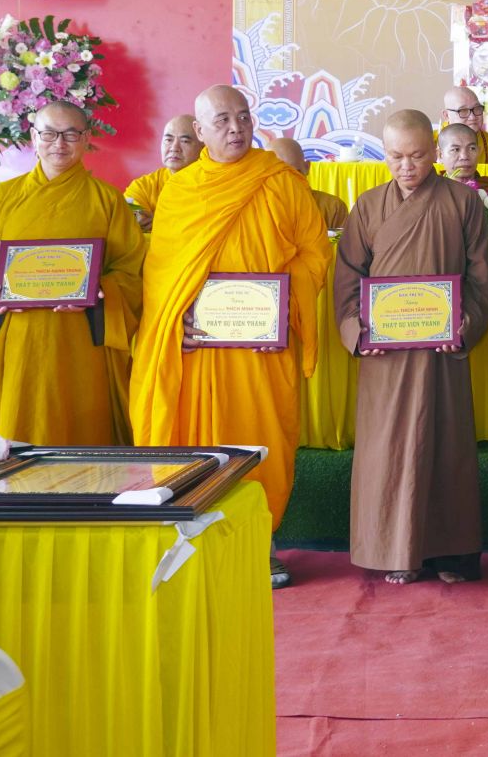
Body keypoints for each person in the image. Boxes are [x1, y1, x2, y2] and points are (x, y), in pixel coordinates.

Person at [129, 85, 331, 587]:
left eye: (243, 117)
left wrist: (281, 305)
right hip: (196, 350)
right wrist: (174, 321)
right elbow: (160, 276)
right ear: (199, 131)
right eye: (222, 121)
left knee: (260, 441)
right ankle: (191, 542)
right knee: (196, 442)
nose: (236, 128)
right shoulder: (180, 191)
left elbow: (315, 254)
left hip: (261, 349)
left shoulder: (281, 182)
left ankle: (261, 544)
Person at [336, 110, 488, 586]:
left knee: (444, 448)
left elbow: (481, 277)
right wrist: (357, 330)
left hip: (441, 355)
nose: (407, 167)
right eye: (396, 157)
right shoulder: (368, 206)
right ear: (384, 154)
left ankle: (450, 552)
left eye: (418, 156)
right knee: (386, 450)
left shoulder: (462, 203)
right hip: (385, 357)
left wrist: (464, 327)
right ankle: (394, 551)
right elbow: (348, 277)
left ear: (436, 152)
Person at [0, 103, 146, 444]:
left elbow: (130, 268)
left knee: (80, 434)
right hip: (17, 338)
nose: (59, 143)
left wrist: (100, 292)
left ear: (86, 138)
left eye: (71, 134)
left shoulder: (107, 200)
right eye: (49, 134)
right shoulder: (2, 197)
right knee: (16, 430)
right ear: (34, 137)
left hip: (79, 339)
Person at [124, 114, 200, 231]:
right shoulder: (146, 185)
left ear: (203, 147)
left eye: (185, 141)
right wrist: (137, 216)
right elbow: (128, 209)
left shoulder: (211, 183)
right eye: (168, 140)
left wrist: (159, 222)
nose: (174, 148)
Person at [439, 122, 488, 215]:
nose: (464, 156)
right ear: (440, 155)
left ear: (478, 151)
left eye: (472, 148)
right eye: (455, 149)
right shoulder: (431, 192)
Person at [270, 137, 349, 230]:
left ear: (307, 167)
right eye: (277, 175)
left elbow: (342, 239)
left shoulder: (332, 208)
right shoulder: (257, 208)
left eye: (294, 173)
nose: (287, 182)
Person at [442, 86, 488, 165]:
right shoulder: (432, 142)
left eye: (477, 108)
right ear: (446, 115)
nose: (472, 117)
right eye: (463, 111)